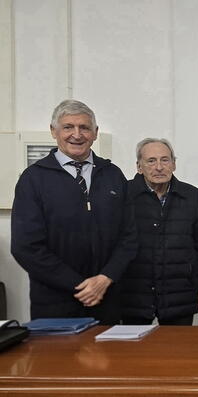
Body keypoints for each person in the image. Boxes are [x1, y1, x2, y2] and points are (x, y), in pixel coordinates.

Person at [11, 99, 137, 324]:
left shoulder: (113, 175)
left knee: (109, 360)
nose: (76, 135)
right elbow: (26, 247)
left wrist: (104, 279)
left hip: (107, 299)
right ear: (54, 131)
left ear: (95, 133)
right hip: (55, 303)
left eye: (84, 127)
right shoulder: (33, 179)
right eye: (68, 127)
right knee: (56, 361)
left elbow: (129, 238)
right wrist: (79, 286)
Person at [120, 138, 198, 325]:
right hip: (133, 291)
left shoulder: (192, 196)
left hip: (180, 291)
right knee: (132, 352)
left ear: (174, 164)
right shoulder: (124, 194)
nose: (159, 167)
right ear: (139, 166)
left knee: (178, 352)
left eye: (165, 160)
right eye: (151, 161)